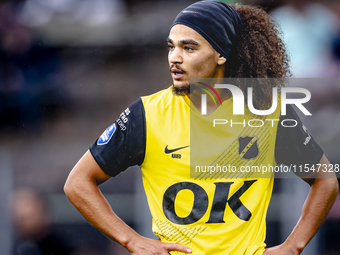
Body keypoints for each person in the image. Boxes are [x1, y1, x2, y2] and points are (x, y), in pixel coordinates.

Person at [64, 1, 339, 255]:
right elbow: (78, 183)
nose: (174, 57)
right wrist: (131, 240)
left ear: (221, 54)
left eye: (189, 48)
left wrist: (293, 246)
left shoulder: (267, 113)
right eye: (171, 47)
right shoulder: (147, 115)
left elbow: (325, 180)